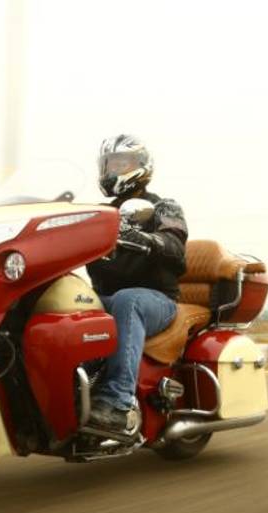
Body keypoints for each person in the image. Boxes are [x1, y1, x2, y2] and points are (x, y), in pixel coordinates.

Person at [84, 134, 187, 439]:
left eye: (121, 163)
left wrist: (149, 239)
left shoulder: (162, 208)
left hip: (156, 299)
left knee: (128, 301)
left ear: (141, 166)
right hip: (107, 297)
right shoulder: (100, 213)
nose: (113, 170)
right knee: (64, 302)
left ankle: (117, 401)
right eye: (110, 164)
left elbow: (175, 245)